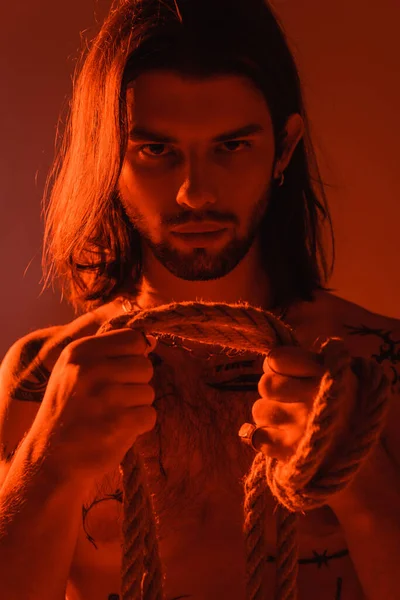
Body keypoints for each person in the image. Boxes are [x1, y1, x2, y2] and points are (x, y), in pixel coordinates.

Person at [0, 0, 399, 599]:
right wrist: (48, 468)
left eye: (231, 147)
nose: (193, 193)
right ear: (109, 156)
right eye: (156, 150)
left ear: (283, 149)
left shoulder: (382, 369)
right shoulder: (40, 375)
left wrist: (360, 480)